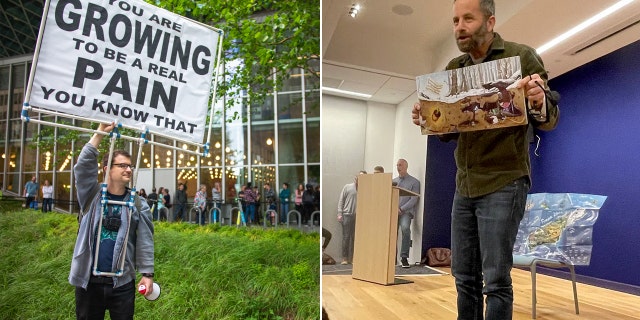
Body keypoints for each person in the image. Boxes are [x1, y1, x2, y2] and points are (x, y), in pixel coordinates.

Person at [411, 1, 559, 318]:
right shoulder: (454, 68)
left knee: (496, 281)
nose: (459, 27)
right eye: (454, 21)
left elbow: (549, 118)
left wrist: (538, 100)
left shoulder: (521, 57)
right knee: (463, 277)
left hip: (505, 181)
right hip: (465, 185)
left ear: (489, 22)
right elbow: (449, 132)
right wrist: (428, 118)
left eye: (467, 18)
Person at [69, 122, 154, 319]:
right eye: (122, 165)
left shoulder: (139, 204)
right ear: (107, 169)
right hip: (89, 281)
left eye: (130, 166)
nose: (128, 170)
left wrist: (147, 274)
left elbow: (145, 242)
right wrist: (99, 133)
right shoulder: (91, 194)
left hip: (122, 283)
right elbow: (82, 167)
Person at [393, 159, 420, 268]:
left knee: (405, 229)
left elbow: (414, 199)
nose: (398, 167)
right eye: (397, 165)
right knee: (391, 234)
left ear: (406, 166)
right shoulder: (393, 181)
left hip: (406, 212)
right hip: (393, 212)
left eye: (400, 165)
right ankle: (391, 258)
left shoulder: (414, 182)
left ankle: (404, 257)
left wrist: (401, 209)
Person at [337, 171, 365, 265]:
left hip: (359, 216)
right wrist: (339, 213)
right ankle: (344, 258)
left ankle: (353, 258)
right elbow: (341, 200)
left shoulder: (365, 188)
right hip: (347, 215)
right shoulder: (347, 187)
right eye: (359, 177)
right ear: (356, 177)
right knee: (346, 237)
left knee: (355, 238)